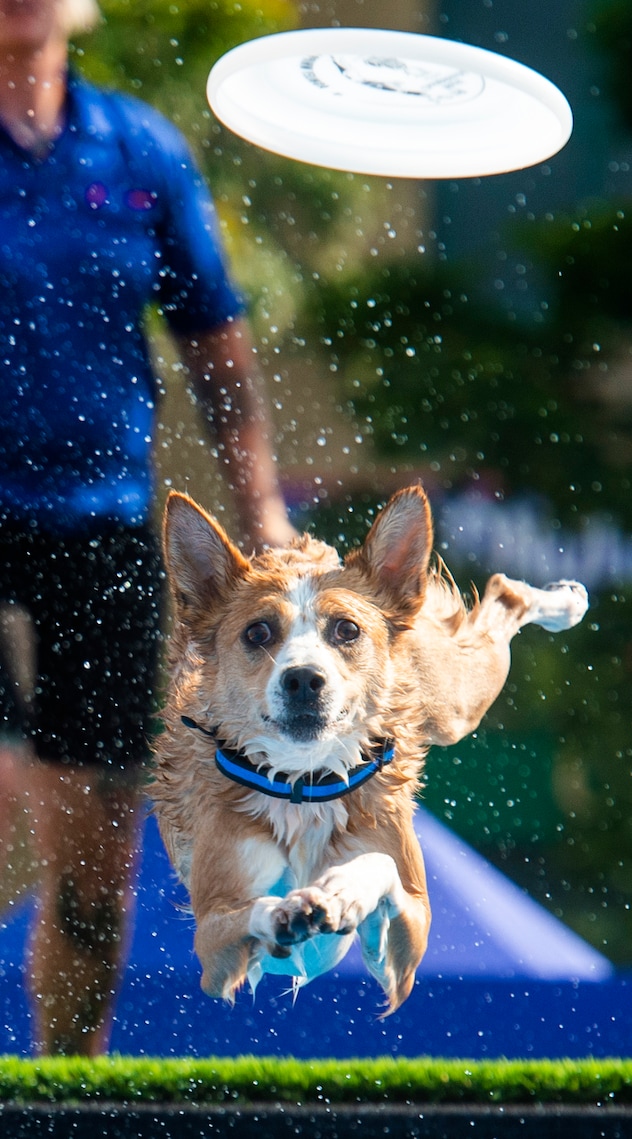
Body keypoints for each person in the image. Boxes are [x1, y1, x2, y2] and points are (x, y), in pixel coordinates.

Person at [0, 0, 295, 1055]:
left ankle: (63, 1094)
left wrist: (261, 521)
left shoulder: (142, 152)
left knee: (92, 869)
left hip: (101, 533)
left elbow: (220, 358)